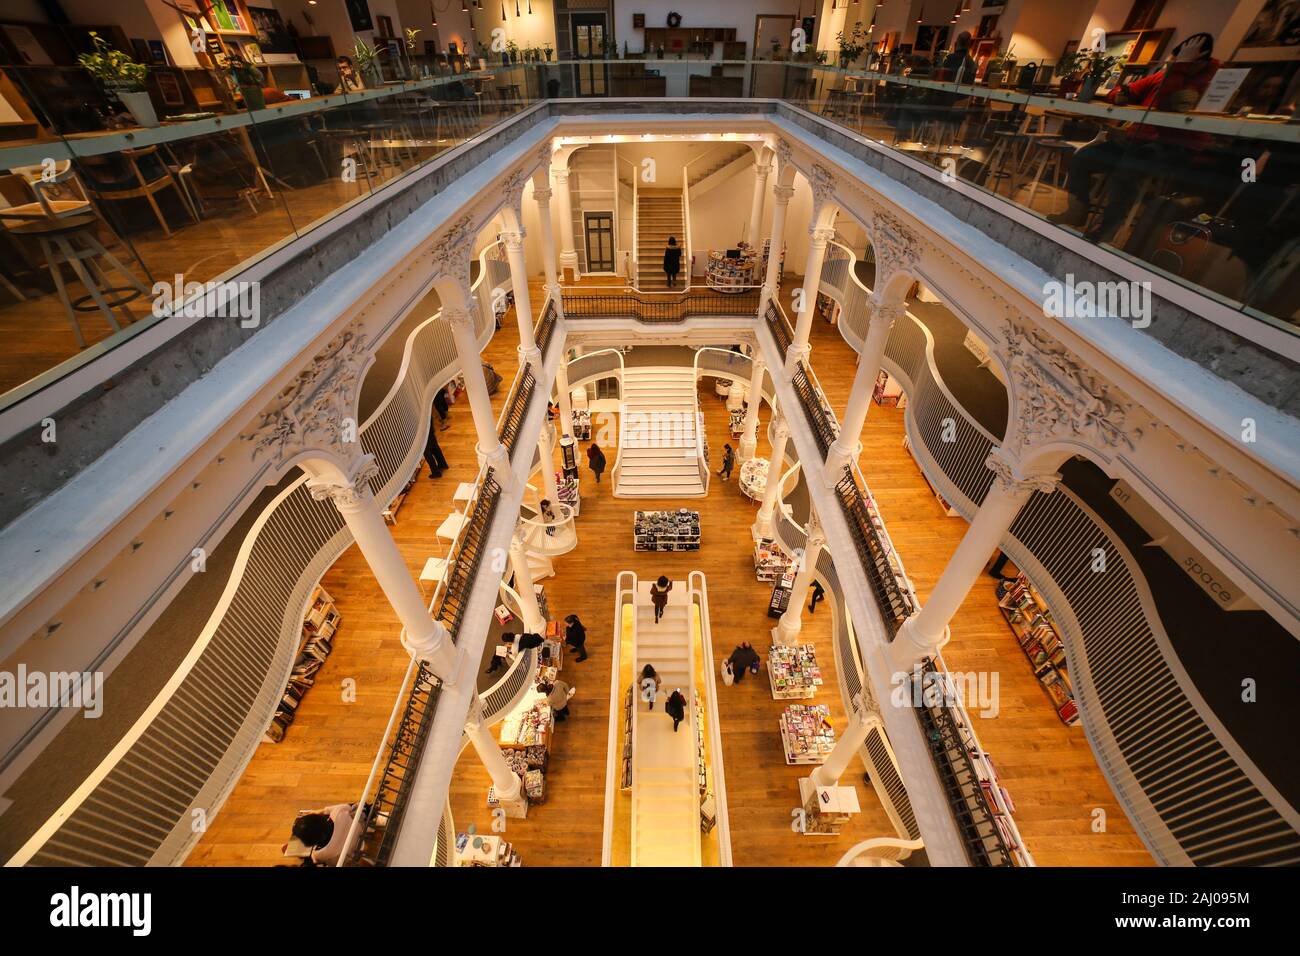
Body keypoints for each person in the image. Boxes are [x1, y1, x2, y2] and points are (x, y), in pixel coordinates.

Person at [1049, 33, 1221, 243]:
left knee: (1127, 172)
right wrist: (1123, 92)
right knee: (1083, 157)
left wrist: (1179, 68)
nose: (1172, 63)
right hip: (1136, 140)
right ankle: (1076, 210)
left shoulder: (1210, 81)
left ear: (1198, 60)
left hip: (1173, 146)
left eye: (1180, 59)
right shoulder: (1163, 75)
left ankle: (1107, 227)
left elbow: (1171, 104)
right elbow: (1122, 92)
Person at [290, 802, 357, 866]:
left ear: (309, 842)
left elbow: (315, 860)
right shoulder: (338, 812)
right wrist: (321, 811)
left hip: (352, 856)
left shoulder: (318, 854)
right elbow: (348, 807)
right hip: (360, 835)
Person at [423, 414, 448, 478]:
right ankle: (442, 464)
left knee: (427, 452)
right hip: (427, 416)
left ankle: (436, 472)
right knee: (434, 444)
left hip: (420, 426)